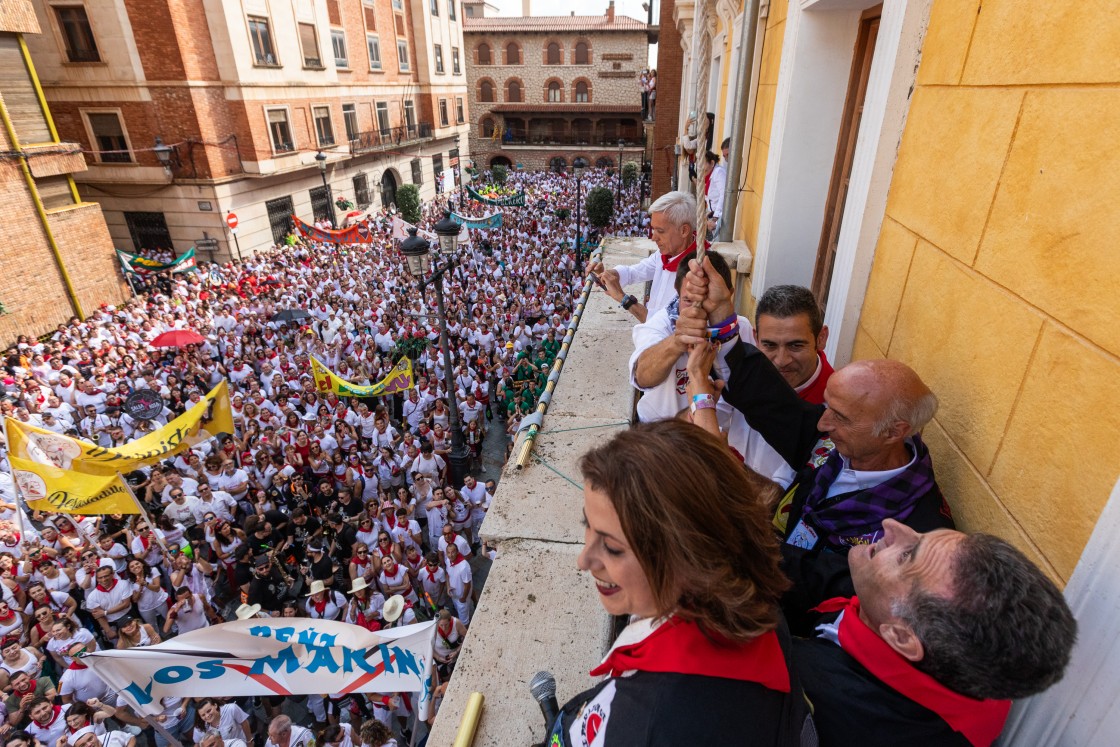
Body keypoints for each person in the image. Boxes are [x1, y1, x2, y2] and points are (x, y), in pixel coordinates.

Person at [677, 256, 954, 623]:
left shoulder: (916, 536)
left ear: (894, 431)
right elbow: (770, 399)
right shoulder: (838, 445)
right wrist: (723, 313)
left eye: (840, 416)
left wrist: (702, 402)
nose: (822, 422)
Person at [550, 421, 809, 745]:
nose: (584, 560)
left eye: (613, 548)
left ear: (690, 557)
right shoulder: (749, 592)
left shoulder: (649, 724)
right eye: (587, 524)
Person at [794, 519, 1077, 746]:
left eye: (907, 556)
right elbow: (818, 575)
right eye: (923, 534)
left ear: (902, 638)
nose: (891, 525)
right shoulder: (964, 658)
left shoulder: (823, 701)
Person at [586, 191, 699, 322]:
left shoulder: (696, 273)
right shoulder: (665, 255)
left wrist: (624, 299)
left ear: (684, 230)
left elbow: (665, 326)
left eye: (660, 231)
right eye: (653, 229)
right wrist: (610, 275)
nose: (653, 238)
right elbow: (634, 272)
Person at [754, 285, 834, 404]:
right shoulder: (742, 379)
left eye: (795, 346)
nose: (781, 361)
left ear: (821, 339)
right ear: (756, 339)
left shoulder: (839, 407)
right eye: (770, 345)